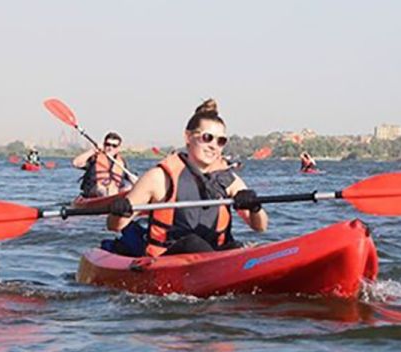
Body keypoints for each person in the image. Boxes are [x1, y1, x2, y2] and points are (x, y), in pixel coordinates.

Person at [108, 99, 267, 256]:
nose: (213, 146)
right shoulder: (159, 178)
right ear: (188, 137)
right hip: (170, 259)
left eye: (221, 141)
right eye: (207, 138)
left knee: (237, 247)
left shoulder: (230, 181)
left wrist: (255, 207)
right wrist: (119, 211)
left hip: (215, 258)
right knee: (192, 242)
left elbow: (260, 227)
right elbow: (115, 225)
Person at [72, 132, 134, 198]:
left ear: (118, 148)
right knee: (102, 189)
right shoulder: (94, 157)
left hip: (114, 191)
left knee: (128, 187)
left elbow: (132, 179)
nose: (110, 148)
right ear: (104, 145)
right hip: (95, 190)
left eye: (114, 146)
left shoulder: (121, 163)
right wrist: (93, 151)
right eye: (108, 144)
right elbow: (76, 163)